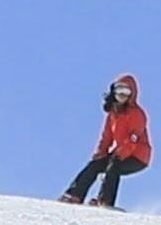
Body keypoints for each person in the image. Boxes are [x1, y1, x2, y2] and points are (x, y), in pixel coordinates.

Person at [62, 73, 152, 208]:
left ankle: (105, 201)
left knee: (113, 165)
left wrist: (118, 155)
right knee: (95, 165)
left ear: (132, 94)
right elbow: (106, 137)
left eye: (126, 91)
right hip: (120, 152)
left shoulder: (137, 114)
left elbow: (133, 139)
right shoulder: (112, 114)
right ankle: (75, 195)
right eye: (119, 90)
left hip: (138, 156)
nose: (122, 95)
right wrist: (100, 154)